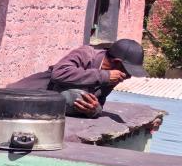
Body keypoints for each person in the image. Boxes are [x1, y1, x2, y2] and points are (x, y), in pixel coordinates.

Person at [9, 39, 146, 116]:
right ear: (116, 62)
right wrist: (103, 76)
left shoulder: (111, 78)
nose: (128, 77)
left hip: (44, 111)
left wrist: (95, 110)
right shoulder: (86, 54)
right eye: (128, 72)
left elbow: (99, 102)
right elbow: (59, 73)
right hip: (17, 98)